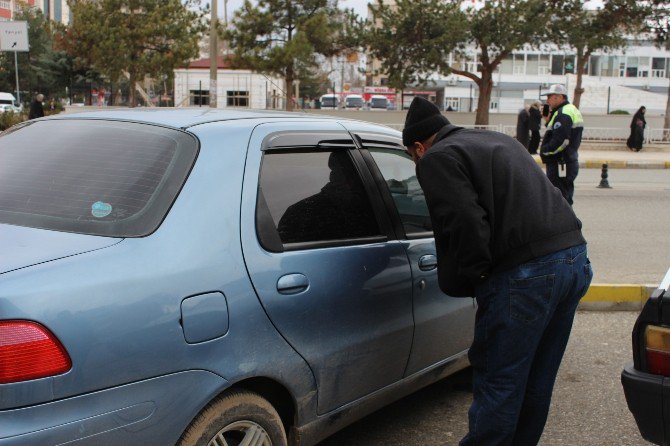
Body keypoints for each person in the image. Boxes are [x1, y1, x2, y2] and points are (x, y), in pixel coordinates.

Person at [402, 96, 592, 446]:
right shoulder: (497, 140)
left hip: (527, 275)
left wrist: (480, 278)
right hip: (574, 259)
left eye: (413, 156)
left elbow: (465, 224)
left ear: (418, 146)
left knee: (499, 381)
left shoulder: (437, 158)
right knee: (537, 376)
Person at [539, 84, 584, 206]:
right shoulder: (569, 109)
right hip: (567, 160)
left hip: (560, 162)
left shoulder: (563, 113)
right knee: (565, 198)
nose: (547, 100)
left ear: (559, 97)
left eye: (550, 96)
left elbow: (561, 140)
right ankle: (568, 224)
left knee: (560, 200)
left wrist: (545, 151)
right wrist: (548, 120)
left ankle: (565, 224)